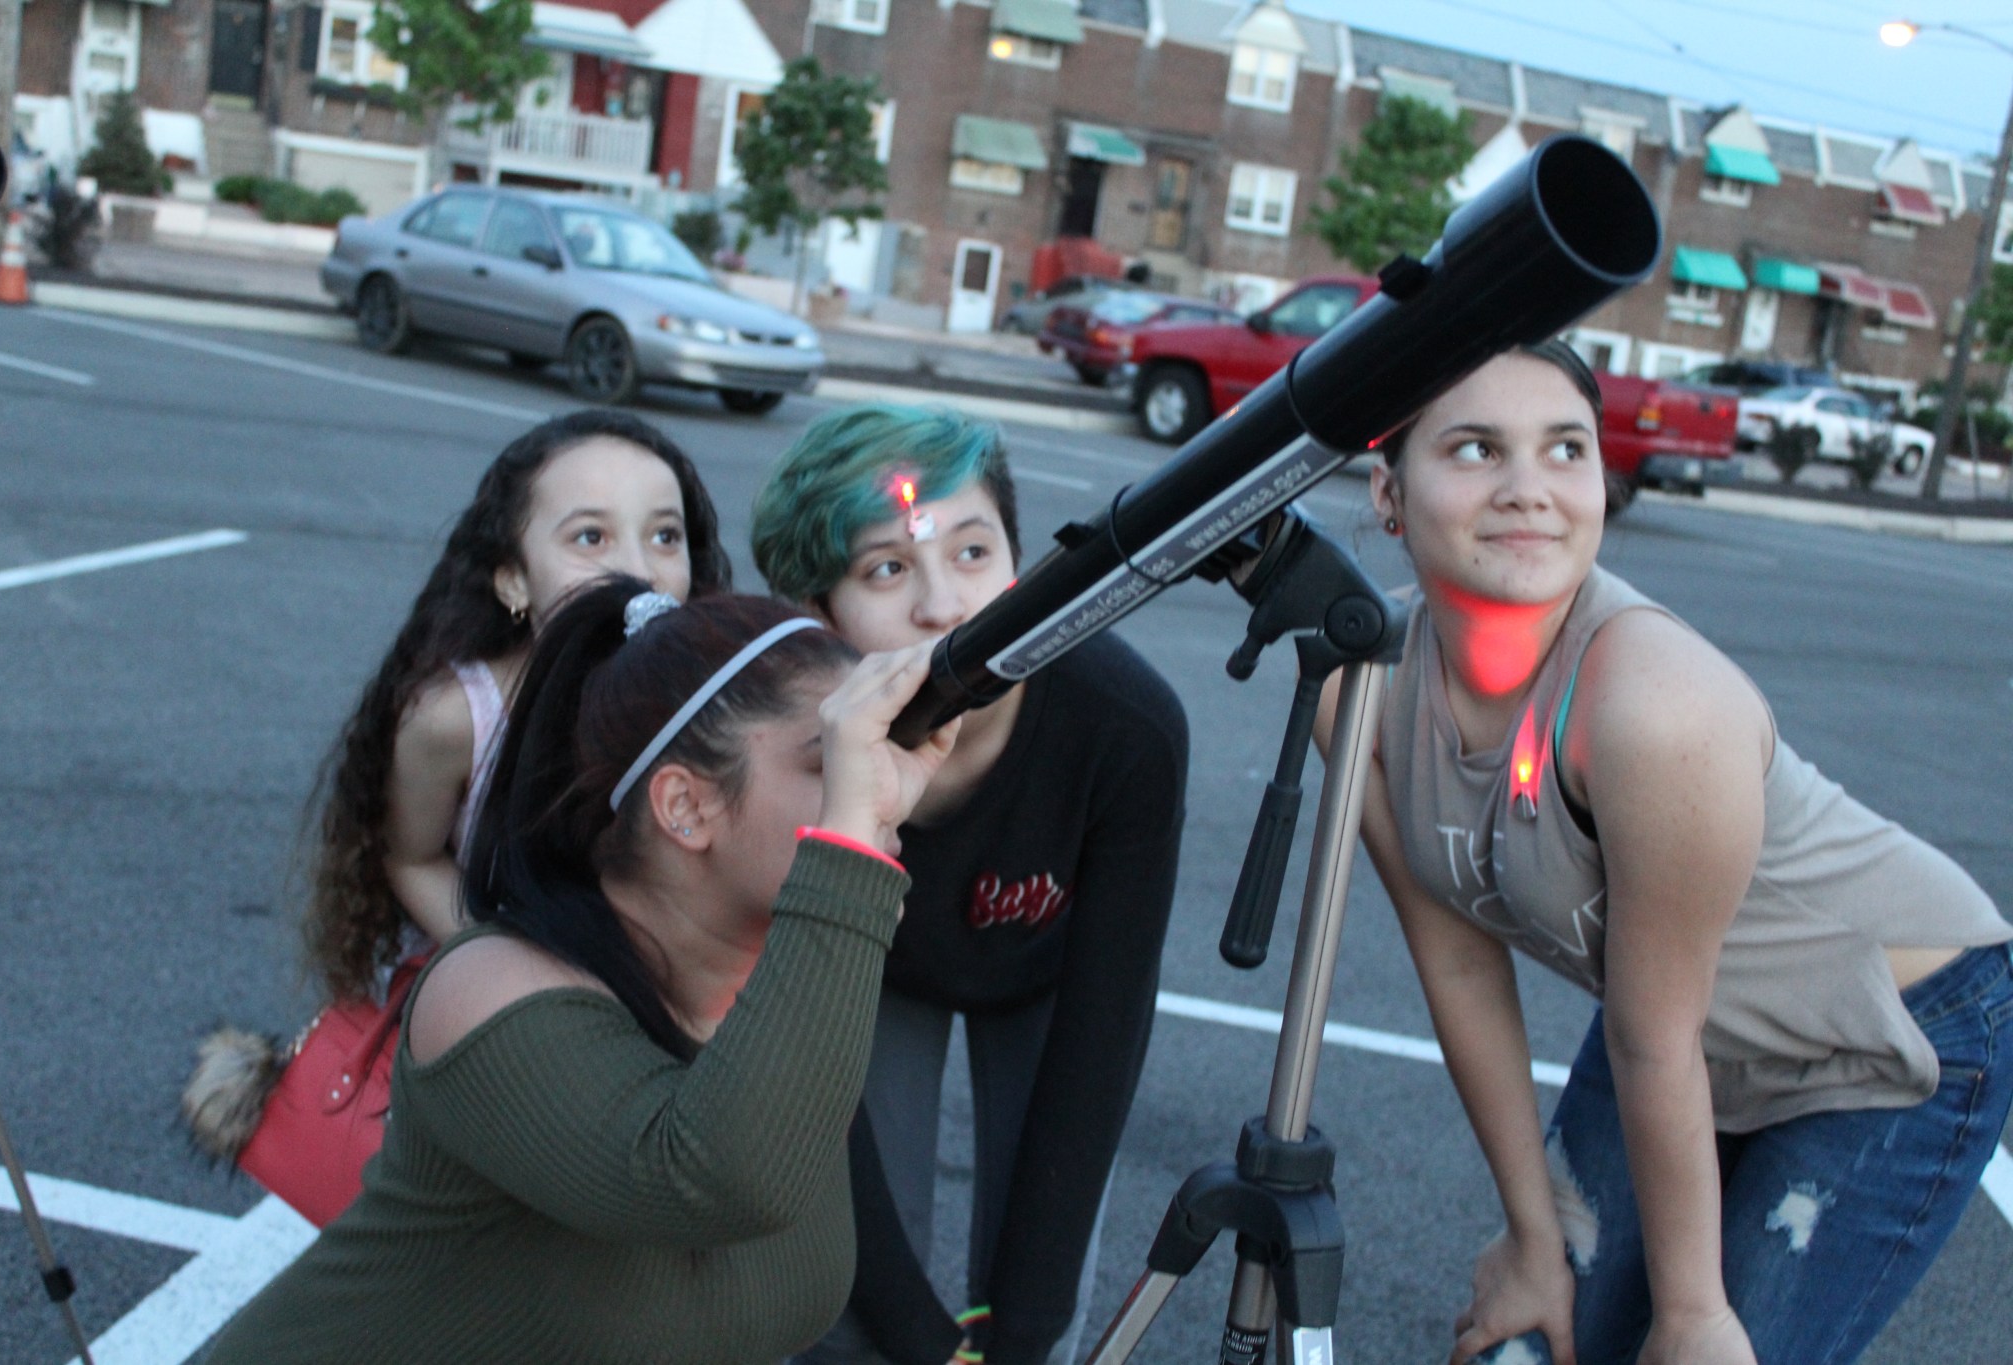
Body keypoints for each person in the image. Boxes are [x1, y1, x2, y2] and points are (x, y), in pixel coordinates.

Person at [1334, 341, 2013, 1365]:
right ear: (1388, 492)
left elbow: (1654, 1037)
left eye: (1563, 449)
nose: (1528, 490)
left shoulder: (1656, 708)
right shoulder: (1365, 688)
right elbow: (1455, 959)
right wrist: (1530, 1237)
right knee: (1541, 1338)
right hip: (1677, 1029)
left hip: (1889, 1034)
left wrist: (1693, 1317)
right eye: (1475, 449)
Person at [204, 583, 961, 1364]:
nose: (874, 792)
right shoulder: (491, 992)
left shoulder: (776, 991)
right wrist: (843, 867)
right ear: (685, 807)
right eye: (829, 758)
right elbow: (718, 1180)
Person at [751, 404, 1191, 1365]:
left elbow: (1100, 1042)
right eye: (886, 569)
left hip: (1044, 978)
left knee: (1042, 1294)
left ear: (1022, 562)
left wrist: (1019, 1332)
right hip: (870, 969)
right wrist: (922, 1340)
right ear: (815, 617)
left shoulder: (1124, 728)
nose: (945, 606)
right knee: (840, 1302)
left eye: (975, 551)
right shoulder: (783, 754)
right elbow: (817, 1125)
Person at [184, 409, 729, 1180]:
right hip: (495, 1037)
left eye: (665, 536)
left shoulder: (710, 705)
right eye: (590, 538)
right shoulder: (455, 718)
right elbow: (409, 857)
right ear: (512, 577)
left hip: (653, 1041)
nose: (638, 570)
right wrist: (517, 968)